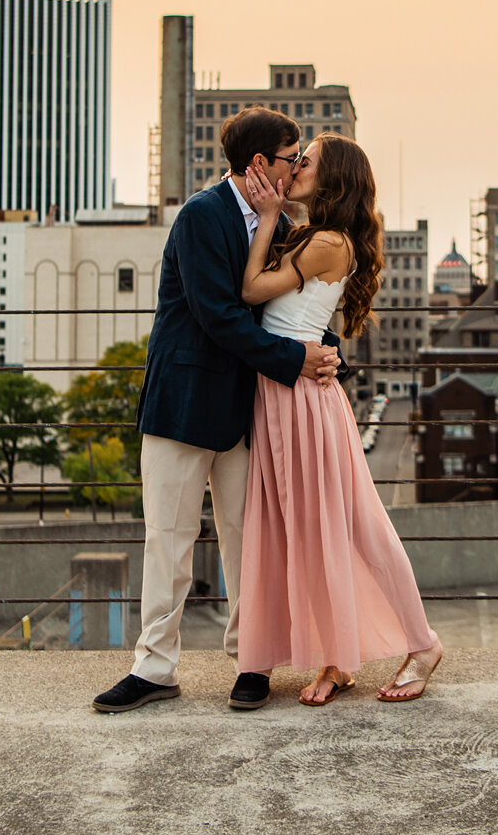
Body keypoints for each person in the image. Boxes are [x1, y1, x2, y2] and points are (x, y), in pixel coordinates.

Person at [91, 108, 344, 714]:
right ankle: (154, 668)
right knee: (169, 540)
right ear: (261, 164)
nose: (297, 167)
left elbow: (287, 310)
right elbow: (222, 317)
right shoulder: (202, 216)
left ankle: (250, 660)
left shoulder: (279, 223)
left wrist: (325, 353)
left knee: (246, 541)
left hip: (245, 408)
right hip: (183, 403)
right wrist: (296, 360)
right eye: (291, 158)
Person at [235, 134, 445, 705]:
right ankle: (336, 657)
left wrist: (267, 216)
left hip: (304, 400)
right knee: (308, 534)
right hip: (283, 393)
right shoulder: (313, 237)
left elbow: (252, 288)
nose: (295, 169)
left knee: (354, 526)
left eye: (306, 164)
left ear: (333, 181)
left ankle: (422, 644)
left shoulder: (328, 241)